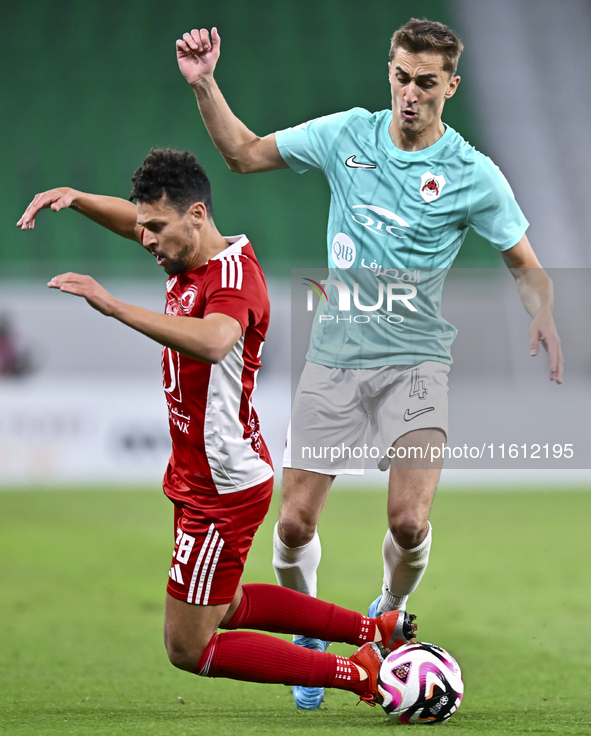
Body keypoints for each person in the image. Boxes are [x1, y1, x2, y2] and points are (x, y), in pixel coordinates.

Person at [175, 18, 564, 709]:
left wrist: (541, 312)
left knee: (408, 523)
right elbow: (239, 154)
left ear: (450, 86)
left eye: (425, 83)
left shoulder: (473, 175)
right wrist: (205, 84)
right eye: (400, 78)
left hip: (417, 362)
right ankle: (312, 638)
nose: (409, 94)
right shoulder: (346, 134)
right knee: (293, 523)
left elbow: (525, 265)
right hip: (336, 359)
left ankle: (387, 610)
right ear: (389, 72)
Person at [17, 148, 418, 708]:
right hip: (204, 473)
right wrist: (80, 200)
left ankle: (363, 675)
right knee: (223, 607)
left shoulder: (235, 279)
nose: (147, 240)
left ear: (198, 216)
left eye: (156, 228)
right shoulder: (184, 254)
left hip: (220, 485)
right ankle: (374, 631)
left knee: (188, 646)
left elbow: (214, 340)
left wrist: (112, 305)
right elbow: (137, 223)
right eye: (144, 228)